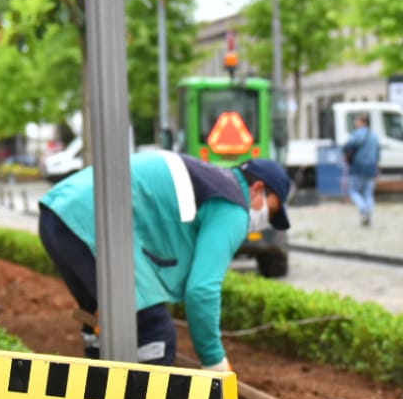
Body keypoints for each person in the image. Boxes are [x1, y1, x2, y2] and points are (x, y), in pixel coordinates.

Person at [37, 151, 292, 371]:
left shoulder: (210, 180)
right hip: (88, 223)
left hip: (58, 216)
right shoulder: (234, 206)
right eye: (273, 208)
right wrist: (215, 362)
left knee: (100, 318)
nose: (267, 218)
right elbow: (202, 290)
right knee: (153, 331)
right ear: (257, 189)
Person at [341, 112, 380, 226]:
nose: (355, 123)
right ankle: (369, 211)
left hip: (358, 167)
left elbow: (347, 147)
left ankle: (363, 209)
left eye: (357, 121)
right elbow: (377, 153)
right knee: (368, 192)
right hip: (371, 167)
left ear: (362, 122)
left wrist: (345, 154)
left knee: (354, 191)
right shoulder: (374, 136)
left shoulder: (357, 134)